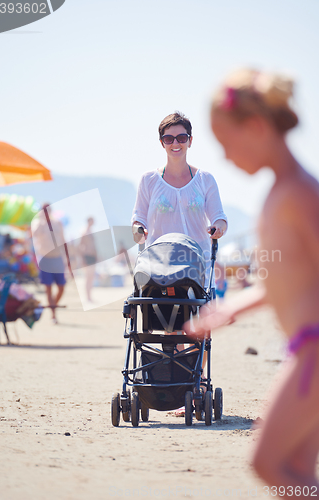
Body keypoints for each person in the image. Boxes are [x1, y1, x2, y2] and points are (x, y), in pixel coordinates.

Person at [184, 69, 319, 493]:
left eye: (225, 143)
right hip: (306, 346)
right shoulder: (281, 193)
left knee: (269, 464)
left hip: (314, 351)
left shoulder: (298, 194)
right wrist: (233, 309)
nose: (224, 156)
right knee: (295, 468)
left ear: (256, 127)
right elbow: (287, 280)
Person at [132, 111, 227, 289]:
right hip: (158, 267)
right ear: (162, 143)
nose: (175, 143)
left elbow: (219, 217)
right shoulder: (148, 180)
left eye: (181, 138)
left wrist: (219, 228)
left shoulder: (205, 179)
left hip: (198, 267)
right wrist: (138, 231)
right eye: (169, 139)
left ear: (190, 141)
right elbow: (138, 219)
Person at [31, 203, 67, 324]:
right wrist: (41, 221)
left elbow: (63, 240)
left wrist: (67, 259)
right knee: (48, 288)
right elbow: (34, 235)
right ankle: (53, 314)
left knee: (61, 287)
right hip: (45, 259)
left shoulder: (57, 223)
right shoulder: (37, 223)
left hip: (57, 258)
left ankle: (53, 306)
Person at [79, 217, 98, 303]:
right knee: (88, 276)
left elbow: (94, 245)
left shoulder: (91, 232)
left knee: (91, 277)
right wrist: (82, 258)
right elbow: (81, 245)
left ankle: (90, 296)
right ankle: (87, 297)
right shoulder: (85, 231)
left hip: (92, 256)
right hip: (87, 256)